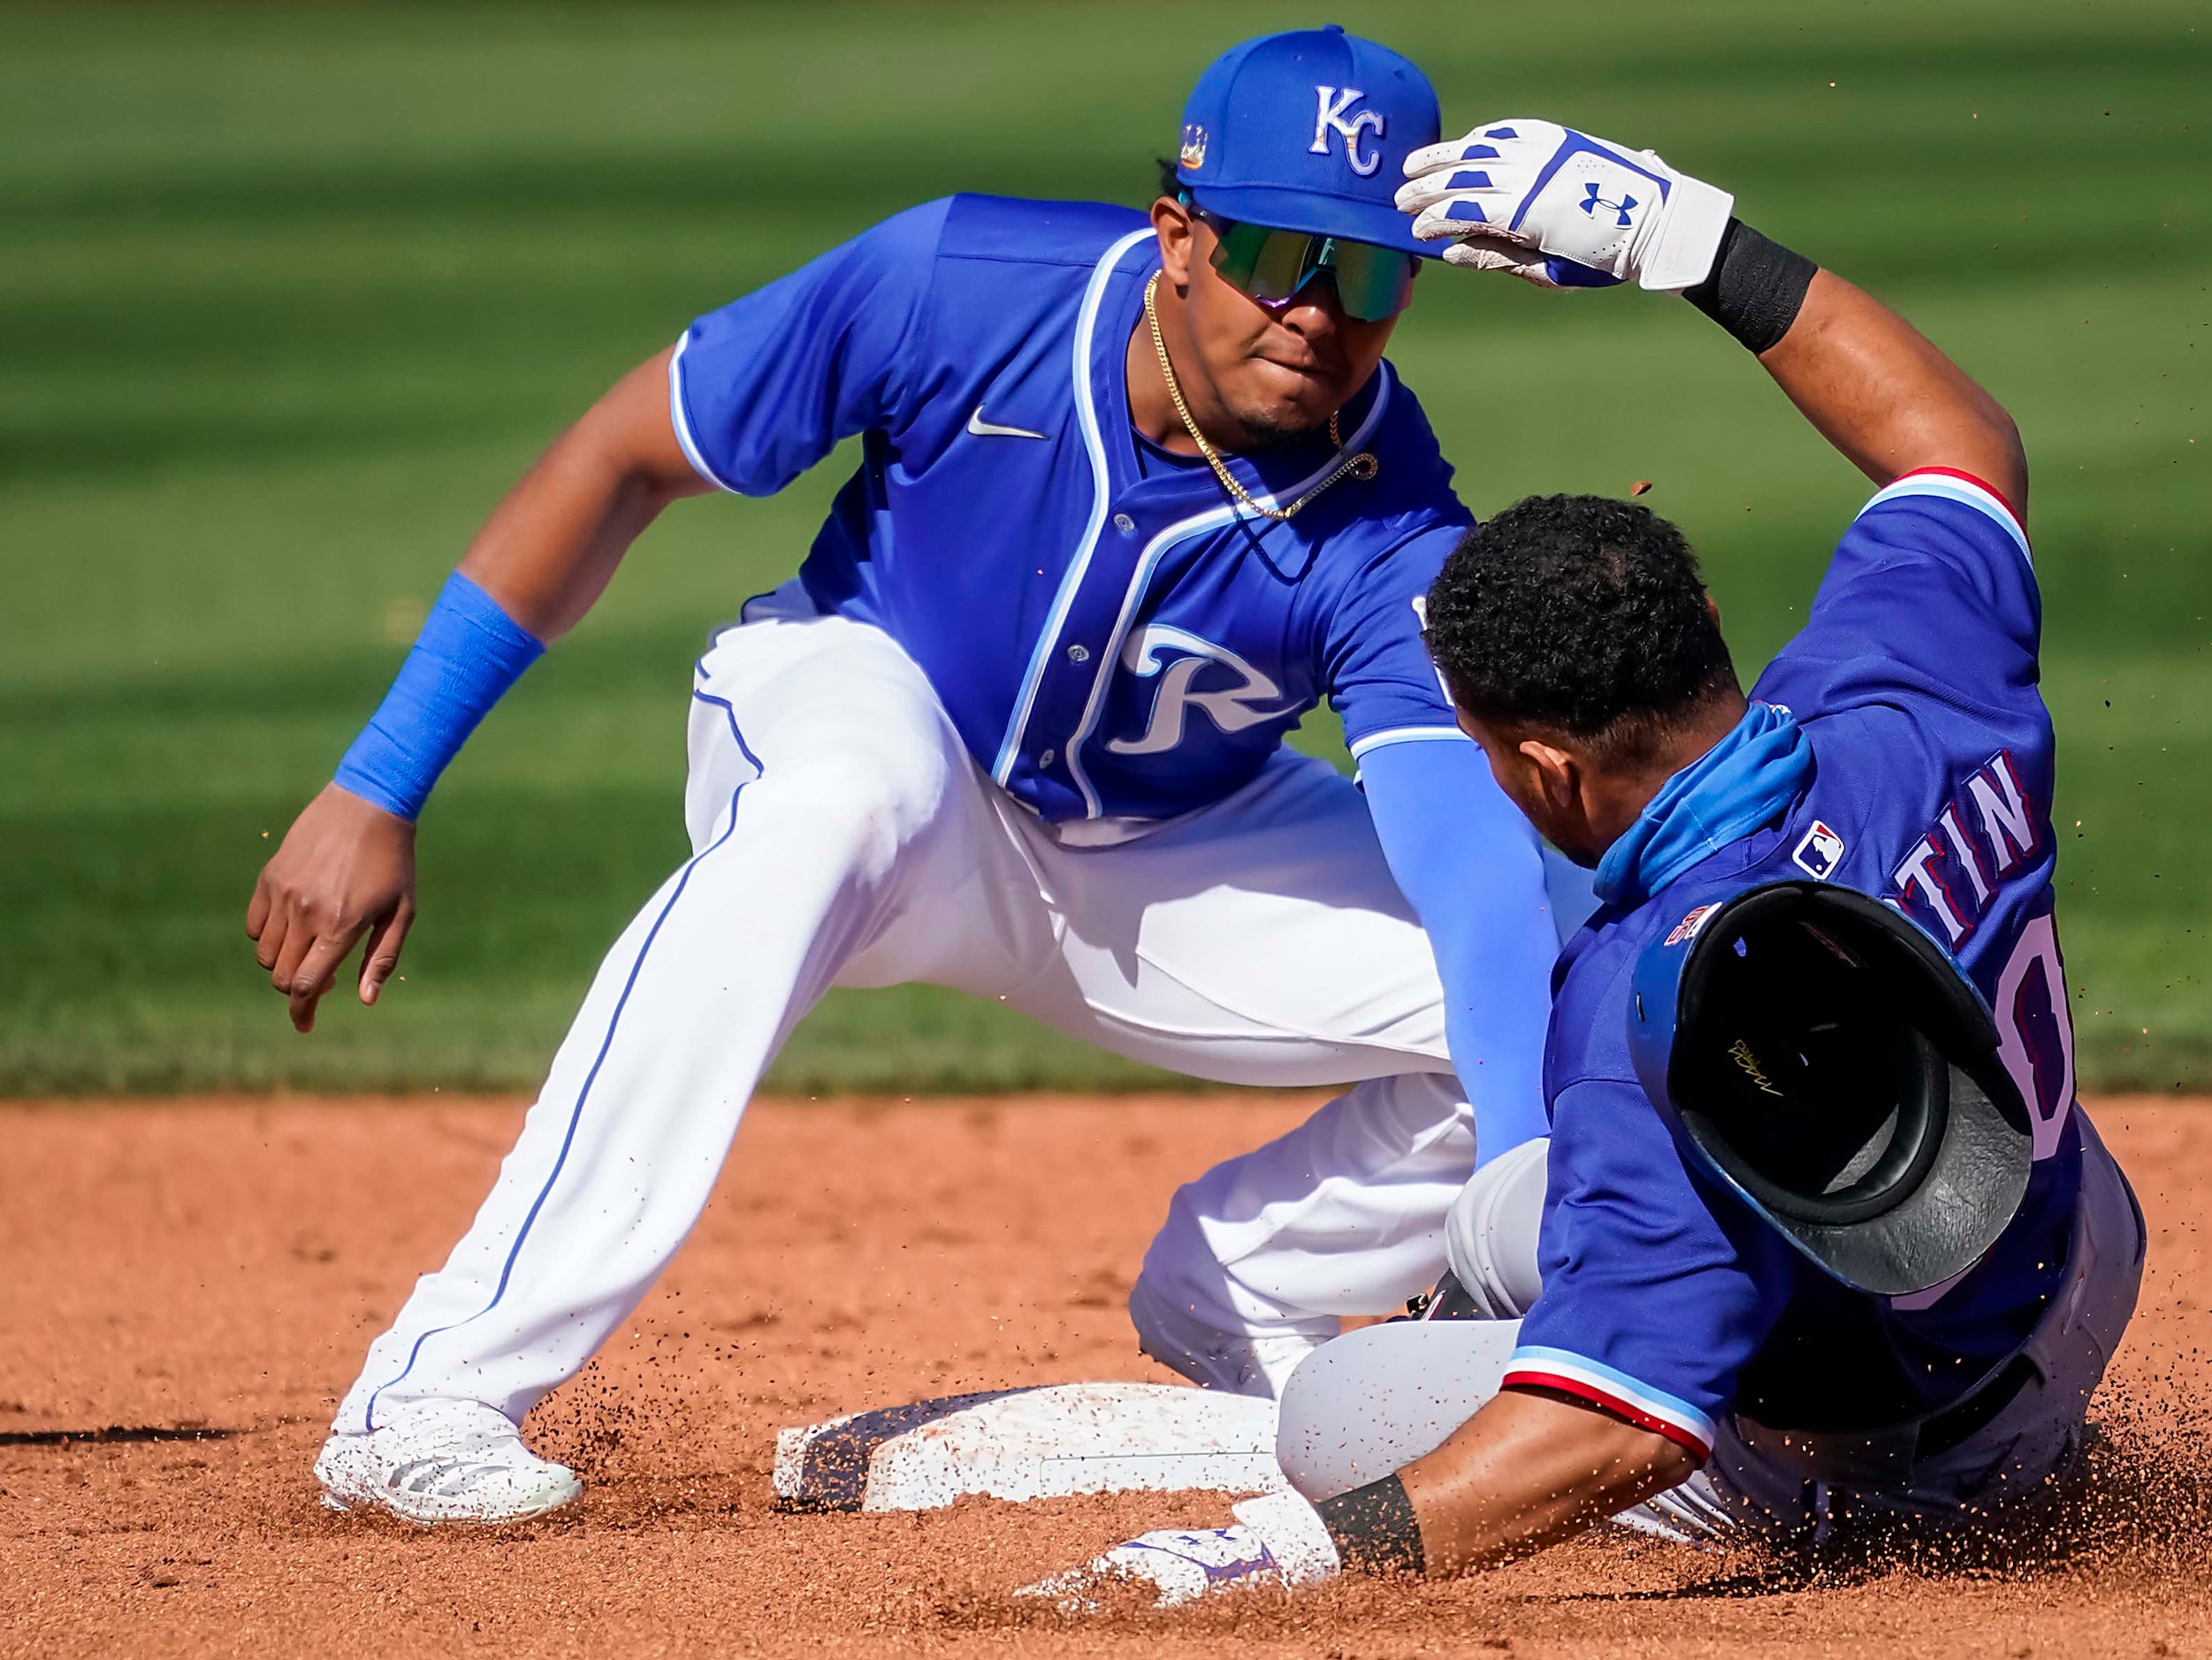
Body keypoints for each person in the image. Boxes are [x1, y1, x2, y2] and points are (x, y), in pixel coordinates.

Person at [271, 28, 1581, 1526]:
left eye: (1365, 271)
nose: (1316, 312)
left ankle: (1245, 1288)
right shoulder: (957, 283)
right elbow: (626, 455)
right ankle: (433, 1389)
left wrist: (1530, 1167)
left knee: (1556, 981)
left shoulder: (1389, 506)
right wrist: (380, 780)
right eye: (1282, 252)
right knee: (844, 795)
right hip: (869, 711)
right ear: (1178, 238)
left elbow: (1462, 856)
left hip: (1167, 845)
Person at [1024, 113, 2145, 1606]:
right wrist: (1696, 248)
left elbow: (1617, 1430)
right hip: (2077, 1254)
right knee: (1499, 1218)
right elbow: (1955, 447)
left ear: (1544, 765)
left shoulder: (1650, 1004)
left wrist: (1273, 1553)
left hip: (1898, 1455)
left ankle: (1904, 1516)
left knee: (1333, 1420)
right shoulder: (1901, 685)